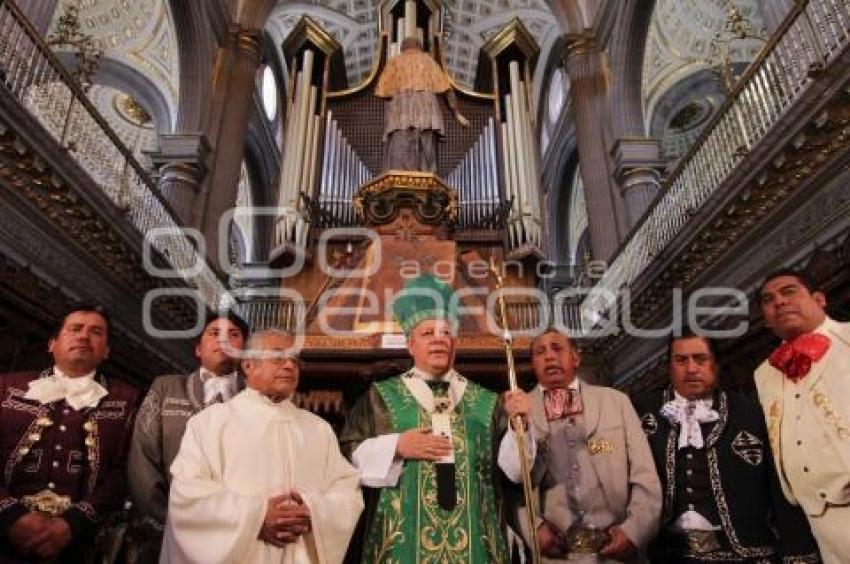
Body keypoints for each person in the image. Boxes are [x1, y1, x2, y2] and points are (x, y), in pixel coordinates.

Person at [339, 272, 532, 563]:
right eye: (428, 334)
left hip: (475, 545)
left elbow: (516, 472)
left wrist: (522, 425)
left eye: (446, 333)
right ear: (410, 344)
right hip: (402, 546)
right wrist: (396, 446)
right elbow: (346, 457)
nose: (439, 341)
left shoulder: (488, 402)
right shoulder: (380, 397)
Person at [160, 329, 363, 563]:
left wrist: (314, 512)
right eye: (278, 357)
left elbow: (347, 489)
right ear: (248, 365)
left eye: (295, 360)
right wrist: (256, 518)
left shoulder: (318, 429)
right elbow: (187, 494)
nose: (289, 366)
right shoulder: (210, 424)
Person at [633, 332, 820, 562]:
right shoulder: (640, 411)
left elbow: (781, 484)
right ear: (669, 367)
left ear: (716, 364)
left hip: (747, 554)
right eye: (681, 360)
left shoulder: (751, 412)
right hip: (667, 556)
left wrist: (798, 552)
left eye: (700, 359)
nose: (691, 368)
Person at [0, 304, 140, 563]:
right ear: (52, 344)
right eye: (75, 329)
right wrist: (9, 515)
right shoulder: (6, 387)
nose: (84, 336)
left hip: (77, 545)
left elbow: (125, 471)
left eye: (96, 332)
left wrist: (75, 523)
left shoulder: (127, 400)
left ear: (106, 351)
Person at [521, 327, 661, 563]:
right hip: (554, 556)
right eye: (540, 352)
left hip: (617, 553)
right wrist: (533, 530)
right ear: (533, 363)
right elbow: (510, 489)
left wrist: (633, 531)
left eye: (557, 348)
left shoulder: (616, 402)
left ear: (576, 357)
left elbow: (645, 476)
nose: (549, 356)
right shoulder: (519, 412)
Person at [126, 312, 248, 562]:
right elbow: (142, 457)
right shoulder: (165, 387)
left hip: (237, 533)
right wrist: (166, 520)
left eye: (234, 335)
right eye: (214, 333)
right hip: (168, 529)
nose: (223, 340)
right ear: (198, 349)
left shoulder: (258, 399)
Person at [754, 268, 850, 564]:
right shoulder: (763, 373)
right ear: (766, 319)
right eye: (769, 300)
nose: (779, 302)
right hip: (818, 519)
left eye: (789, 292)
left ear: (819, 299)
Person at [375, 36, 469, 172]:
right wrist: (457, 114)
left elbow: (382, 91)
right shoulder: (429, 61)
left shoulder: (394, 62)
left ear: (402, 48)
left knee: (398, 157)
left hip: (400, 117)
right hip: (426, 116)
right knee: (426, 158)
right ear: (420, 47)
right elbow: (447, 90)